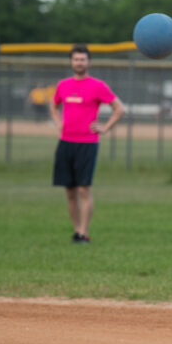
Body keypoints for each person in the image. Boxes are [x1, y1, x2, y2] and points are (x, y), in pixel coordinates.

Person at [49, 45, 125, 244]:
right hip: (66, 142)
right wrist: (58, 123)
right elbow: (54, 106)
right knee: (69, 190)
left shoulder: (98, 86)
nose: (79, 63)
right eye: (76, 59)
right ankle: (76, 230)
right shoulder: (63, 85)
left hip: (87, 143)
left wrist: (105, 128)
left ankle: (84, 232)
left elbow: (119, 109)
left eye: (82, 59)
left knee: (83, 189)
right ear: (71, 62)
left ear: (88, 62)